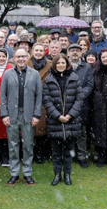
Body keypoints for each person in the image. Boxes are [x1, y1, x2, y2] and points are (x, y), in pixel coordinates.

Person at [0, 47, 42, 185]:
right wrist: (4, 114)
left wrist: (37, 114)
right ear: (14, 58)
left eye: (23, 56)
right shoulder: (7, 74)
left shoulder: (34, 74)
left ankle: (27, 173)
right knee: (13, 145)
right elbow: (2, 96)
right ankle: (14, 173)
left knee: (28, 145)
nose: (21, 59)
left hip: (28, 114)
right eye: (18, 57)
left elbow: (38, 96)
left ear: (27, 57)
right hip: (12, 114)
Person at [43, 54, 83, 186]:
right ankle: (56, 174)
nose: (61, 65)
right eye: (58, 63)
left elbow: (79, 99)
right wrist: (57, 116)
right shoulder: (49, 80)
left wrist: (70, 115)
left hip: (71, 121)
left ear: (67, 64)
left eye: (63, 63)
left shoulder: (74, 78)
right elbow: (47, 101)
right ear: (54, 65)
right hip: (55, 121)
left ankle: (67, 174)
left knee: (68, 151)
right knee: (56, 152)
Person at [67, 43, 94, 168]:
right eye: (72, 50)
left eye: (77, 51)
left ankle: (82, 156)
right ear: (68, 53)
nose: (74, 53)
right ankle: (70, 154)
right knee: (68, 131)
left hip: (82, 104)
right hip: (67, 103)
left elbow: (89, 85)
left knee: (82, 132)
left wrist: (79, 96)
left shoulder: (87, 67)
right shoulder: (64, 66)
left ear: (81, 52)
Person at [29, 43, 52, 164]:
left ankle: (40, 154)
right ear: (32, 51)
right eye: (36, 50)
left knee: (42, 128)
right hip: (29, 99)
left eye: (41, 50)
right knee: (30, 128)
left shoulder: (50, 65)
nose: (38, 52)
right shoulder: (26, 63)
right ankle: (29, 153)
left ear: (44, 52)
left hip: (44, 99)